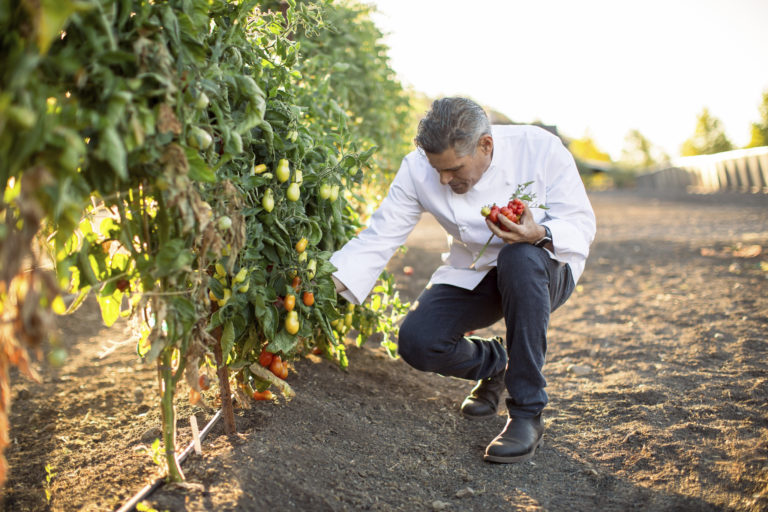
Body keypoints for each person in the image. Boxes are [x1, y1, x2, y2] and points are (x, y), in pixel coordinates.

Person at [330, 97, 596, 463]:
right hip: (474, 270)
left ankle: (527, 414)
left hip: (546, 266)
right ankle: (496, 362)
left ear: (485, 145)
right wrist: (325, 282)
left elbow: (581, 223)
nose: (443, 179)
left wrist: (538, 233)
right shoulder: (417, 171)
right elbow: (380, 236)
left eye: (453, 169)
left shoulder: (539, 148)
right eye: (437, 169)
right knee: (418, 341)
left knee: (518, 257)